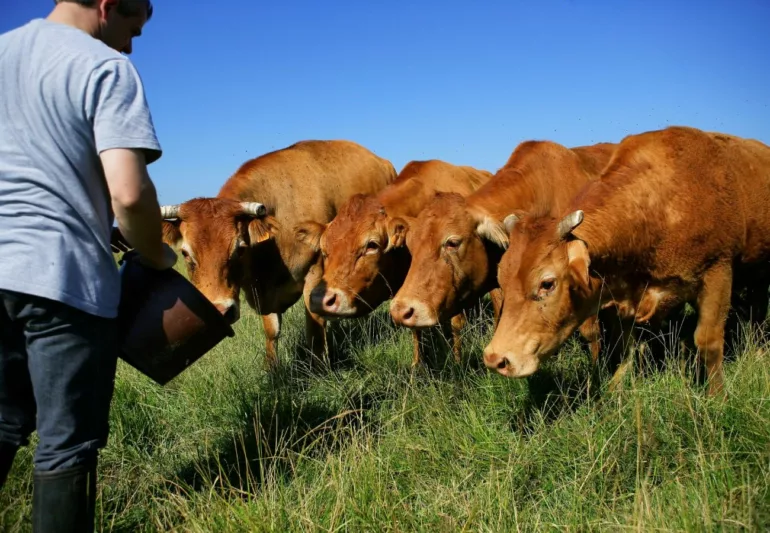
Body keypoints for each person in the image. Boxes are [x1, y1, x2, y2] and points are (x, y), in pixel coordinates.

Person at [0, 0, 177, 530]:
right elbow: (128, 193)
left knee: (2, 422)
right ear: (106, 7)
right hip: (63, 279)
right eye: (131, 27)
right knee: (65, 447)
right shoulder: (105, 66)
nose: (130, 43)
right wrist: (155, 253)